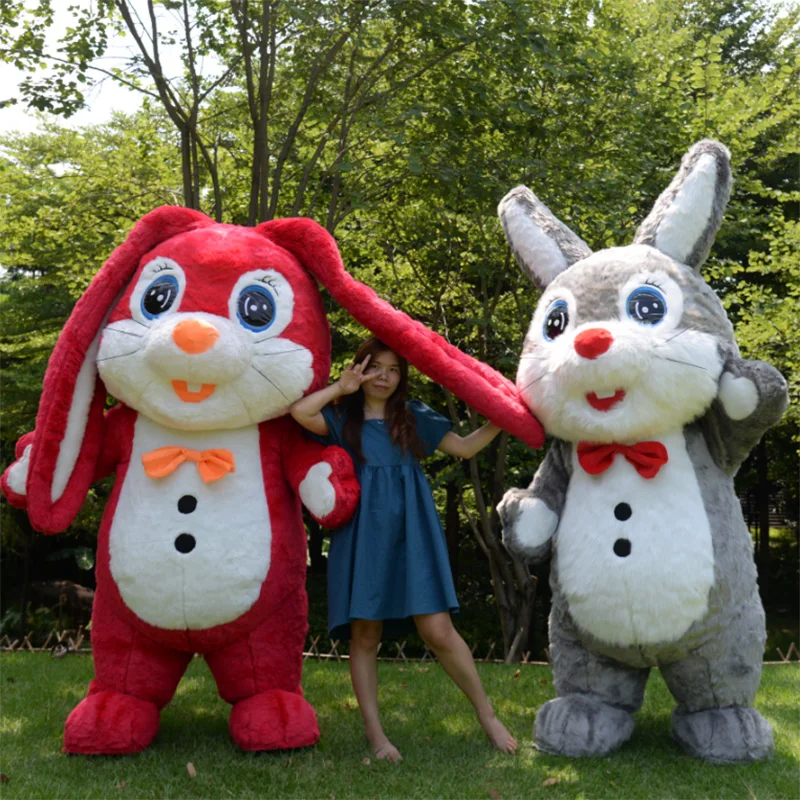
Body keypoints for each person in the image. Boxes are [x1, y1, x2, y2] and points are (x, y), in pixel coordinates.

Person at [290, 337, 517, 762]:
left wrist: (504, 418)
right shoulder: (341, 417)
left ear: (402, 377)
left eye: (393, 369)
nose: (384, 376)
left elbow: (465, 447)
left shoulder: (411, 418)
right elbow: (300, 412)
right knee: (366, 633)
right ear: (361, 369)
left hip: (412, 532)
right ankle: (376, 737)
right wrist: (342, 387)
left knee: (438, 630)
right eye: (375, 367)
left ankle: (487, 715)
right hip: (362, 535)